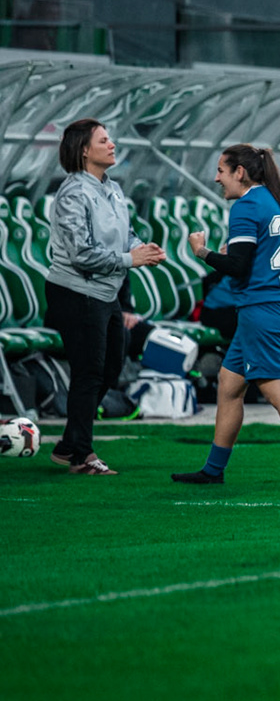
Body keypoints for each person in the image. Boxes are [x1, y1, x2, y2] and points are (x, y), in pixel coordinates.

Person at [170, 145, 280, 488]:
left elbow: (239, 266)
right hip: (276, 306)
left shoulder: (246, 205)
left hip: (262, 310)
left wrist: (202, 251)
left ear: (239, 172)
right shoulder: (275, 202)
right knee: (229, 385)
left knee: (278, 391)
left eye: (221, 171)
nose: (216, 178)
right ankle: (213, 469)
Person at [44, 118, 165, 475]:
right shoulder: (72, 193)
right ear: (84, 150)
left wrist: (143, 249)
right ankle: (82, 455)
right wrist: (131, 259)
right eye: (104, 140)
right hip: (75, 292)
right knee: (89, 372)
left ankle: (69, 443)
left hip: (104, 293)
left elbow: (125, 235)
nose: (112, 145)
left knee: (111, 366)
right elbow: (81, 253)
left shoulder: (112, 188)